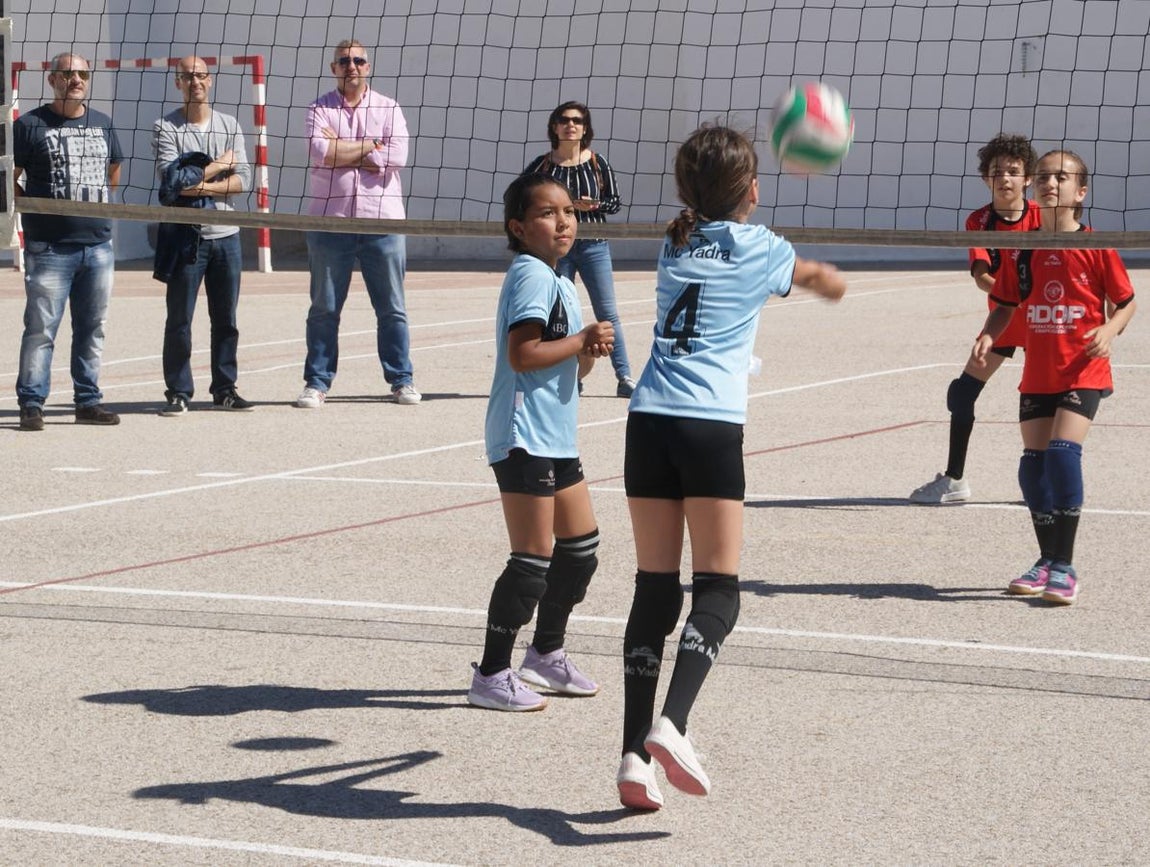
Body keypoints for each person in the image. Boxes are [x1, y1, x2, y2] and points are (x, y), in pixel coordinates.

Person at [617, 125, 846, 810]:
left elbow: (710, 219)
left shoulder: (674, 239)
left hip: (647, 420)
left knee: (655, 591)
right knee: (718, 591)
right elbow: (819, 281)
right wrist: (833, 282)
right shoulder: (762, 248)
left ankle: (633, 756)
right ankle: (673, 723)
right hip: (709, 426)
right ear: (752, 189)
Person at [467, 174, 615, 712]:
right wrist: (579, 339)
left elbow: (566, 368)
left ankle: (545, 654)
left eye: (570, 212)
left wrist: (587, 352)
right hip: (522, 435)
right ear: (519, 227)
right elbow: (522, 355)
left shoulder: (558, 279)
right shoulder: (530, 273)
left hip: (554, 434)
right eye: (549, 213)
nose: (564, 222)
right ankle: (490, 673)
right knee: (532, 561)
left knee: (580, 553)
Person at [972, 149, 1135, 605]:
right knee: (1032, 467)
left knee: (1063, 454)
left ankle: (1065, 566)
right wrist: (989, 334)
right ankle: (1045, 560)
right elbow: (1004, 303)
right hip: (1038, 371)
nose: (1050, 182)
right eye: (1043, 176)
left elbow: (1126, 302)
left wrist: (1108, 328)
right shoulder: (1023, 250)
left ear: (1080, 192)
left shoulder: (1094, 245)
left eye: (1061, 178)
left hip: (1083, 367)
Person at [909, 133, 1040, 503]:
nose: (1006, 179)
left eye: (1014, 172)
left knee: (1039, 401)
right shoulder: (979, 220)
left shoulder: (1041, 219)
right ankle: (955, 481)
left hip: (1040, 322)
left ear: (1027, 178)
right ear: (987, 178)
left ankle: (1044, 479)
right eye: (998, 172)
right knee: (961, 393)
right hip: (1004, 318)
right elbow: (983, 277)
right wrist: (1008, 299)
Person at [296, 39, 420, 409]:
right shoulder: (318, 108)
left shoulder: (389, 107)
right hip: (329, 223)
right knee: (324, 308)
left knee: (392, 308)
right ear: (334, 67)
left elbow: (396, 157)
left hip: (381, 222)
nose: (352, 66)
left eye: (359, 61)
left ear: (368, 66)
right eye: (344, 61)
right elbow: (321, 153)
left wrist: (348, 148)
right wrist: (370, 146)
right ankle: (316, 383)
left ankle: (402, 380)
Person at [13, 52, 124, 431]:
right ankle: (31, 403)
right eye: (68, 73)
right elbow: (10, 175)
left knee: (93, 326)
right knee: (41, 328)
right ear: (52, 79)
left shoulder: (103, 124)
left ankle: (88, 400)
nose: (76, 79)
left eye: (82, 74)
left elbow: (113, 170)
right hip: (48, 247)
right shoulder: (29, 125)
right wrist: (31, 208)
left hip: (97, 245)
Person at [152, 55, 254, 416]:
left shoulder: (230, 124)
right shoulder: (166, 127)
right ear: (177, 83)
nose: (195, 81)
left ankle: (224, 388)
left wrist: (196, 182)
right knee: (179, 319)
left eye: (200, 76)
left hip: (226, 236)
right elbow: (171, 185)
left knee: (226, 319)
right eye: (187, 77)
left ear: (209, 81)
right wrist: (219, 166)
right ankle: (179, 391)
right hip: (186, 237)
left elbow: (244, 182)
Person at [524, 101, 634, 398]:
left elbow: (615, 202)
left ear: (585, 128)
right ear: (554, 127)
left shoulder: (597, 163)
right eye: (563, 120)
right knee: (562, 314)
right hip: (557, 248)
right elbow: (522, 196)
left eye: (576, 121)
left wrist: (593, 205)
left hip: (594, 245)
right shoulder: (543, 165)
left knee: (607, 312)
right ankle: (571, 375)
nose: (570, 125)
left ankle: (624, 376)